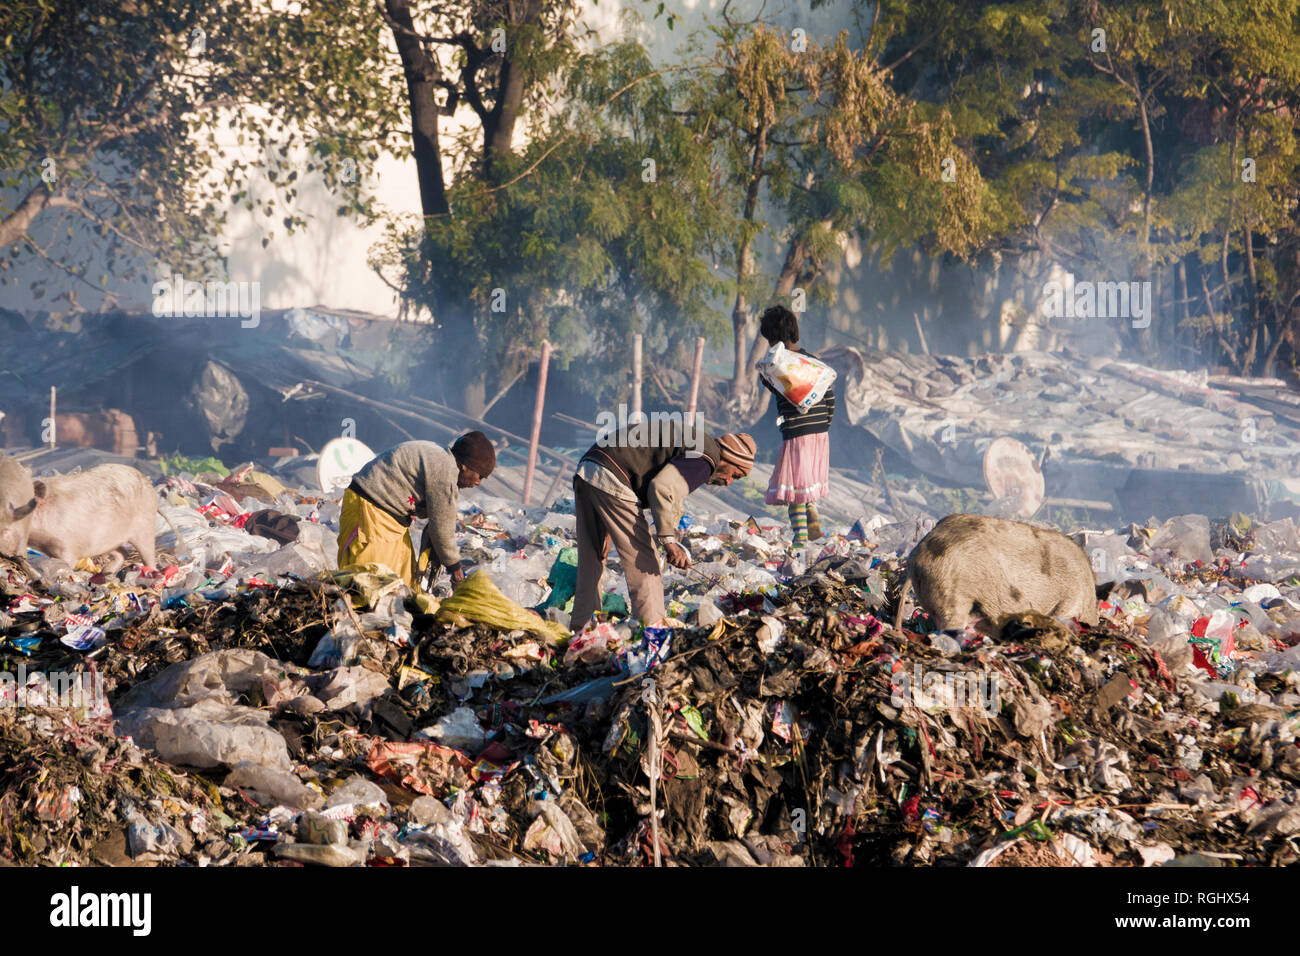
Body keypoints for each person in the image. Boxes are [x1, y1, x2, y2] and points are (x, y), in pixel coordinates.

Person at [571, 426, 756, 631]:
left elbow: (668, 494)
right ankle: (652, 630)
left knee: (593, 556)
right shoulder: (707, 457)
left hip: (589, 467)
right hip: (614, 474)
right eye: (735, 475)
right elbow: (661, 487)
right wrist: (669, 542)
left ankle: (582, 628)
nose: (729, 482)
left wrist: (669, 532)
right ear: (729, 459)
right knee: (644, 560)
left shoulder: (695, 443)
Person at [336, 432, 496, 590]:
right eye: (479, 476)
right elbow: (441, 527)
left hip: (390, 518)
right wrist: (455, 568)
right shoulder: (445, 470)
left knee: (404, 584)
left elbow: (438, 518)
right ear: (465, 466)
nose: (478, 483)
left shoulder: (443, 459)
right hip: (370, 511)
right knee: (369, 582)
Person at [759, 304, 834, 547]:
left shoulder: (772, 369)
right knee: (807, 481)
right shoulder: (812, 361)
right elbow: (829, 395)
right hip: (820, 429)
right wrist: (825, 424)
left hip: (797, 431)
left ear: (771, 337)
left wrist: (765, 374)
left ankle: (800, 538)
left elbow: (778, 391)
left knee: (793, 489)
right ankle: (811, 510)